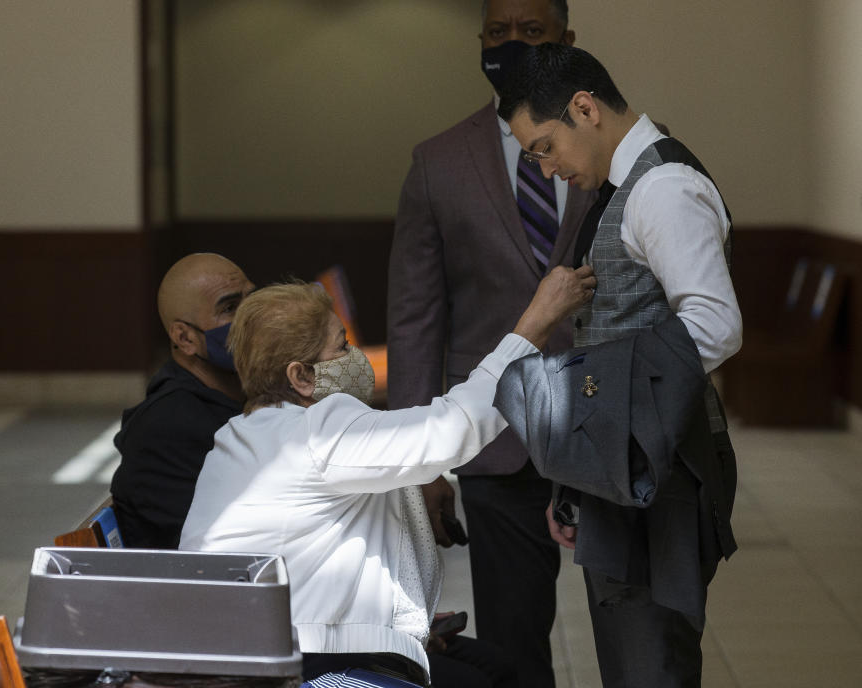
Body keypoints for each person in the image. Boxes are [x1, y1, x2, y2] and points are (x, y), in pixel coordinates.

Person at [180, 265, 596, 688]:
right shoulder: (316, 430)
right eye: (341, 347)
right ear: (301, 377)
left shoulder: (248, 430)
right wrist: (534, 326)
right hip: (292, 656)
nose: (354, 358)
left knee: (497, 668)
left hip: (262, 639)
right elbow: (451, 429)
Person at [497, 42, 742, 687]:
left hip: (662, 464)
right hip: (626, 455)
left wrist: (592, 406)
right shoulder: (621, 184)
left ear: (585, 108)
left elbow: (715, 326)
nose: (545, 168)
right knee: (624, 647)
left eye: (544, 147)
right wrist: (578, 480)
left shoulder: (661, 186)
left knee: (647, 659)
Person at [386, 0, 594, 686]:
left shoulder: (606, 152)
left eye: (530, 34)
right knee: (512, 642)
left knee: (631, 625)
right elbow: (415, 320)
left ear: (565, 42)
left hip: (605, 426)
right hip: (495, 441)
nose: (511, 46)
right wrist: (421, 464)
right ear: (479, 43)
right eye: (497, 34)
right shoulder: (438, 162)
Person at [109, 253, 255, 549]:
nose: (251, 317)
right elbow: (228, 543)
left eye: (252, 300)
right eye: (229, 308)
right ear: (185, 338)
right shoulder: (167, 427)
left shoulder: (246, 392)